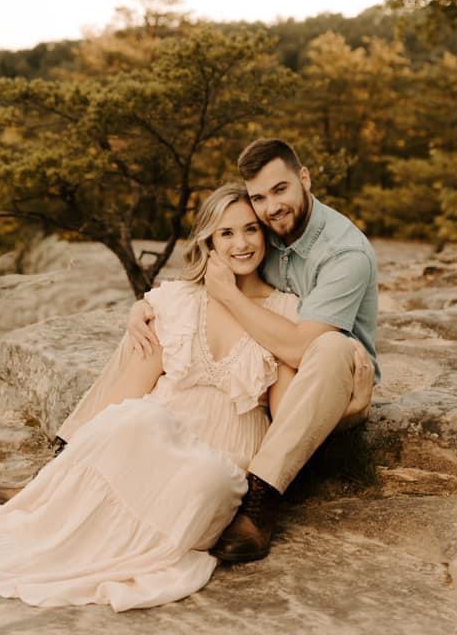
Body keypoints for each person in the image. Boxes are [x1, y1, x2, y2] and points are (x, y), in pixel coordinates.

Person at [0, 182, 371, 611]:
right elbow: (132, 385)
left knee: (204, 476)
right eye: (226, 233)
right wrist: (82, 451)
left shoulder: (286, 311)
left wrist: (342, 402)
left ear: (266, 235)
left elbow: (286, 416)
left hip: (224, 454)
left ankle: (113, 512)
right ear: (208, 241)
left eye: (250, 230)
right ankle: (58, 476)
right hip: (158, 428)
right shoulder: (178, 299)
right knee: (134, 420)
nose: (241, 244)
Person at [127, 137, 379, 563]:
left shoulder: (345, 253)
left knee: (331, 345)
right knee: (152, 324)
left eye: (280, 190)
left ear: (304, 178)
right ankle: (68, 454)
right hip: (278, 368)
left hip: (332, 384)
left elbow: (299, 348)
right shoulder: (271, 230)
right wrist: (147, 306)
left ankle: (262, 501)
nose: (271, 207)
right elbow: (223, 252)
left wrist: (229, 297)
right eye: (259, 197)